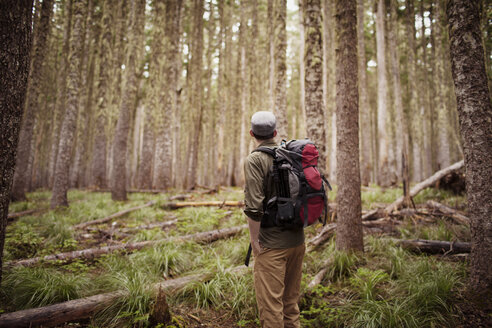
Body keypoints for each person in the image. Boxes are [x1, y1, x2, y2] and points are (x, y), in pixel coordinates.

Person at [244, 111, 305, 328]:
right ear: (275, 133)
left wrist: (254, 240)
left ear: (252, 133)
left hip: (271, 247)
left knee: (271, 310)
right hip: (297, 242)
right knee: (290, 305)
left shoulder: (255, 160)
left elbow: (253, 207)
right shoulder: (290, 154)